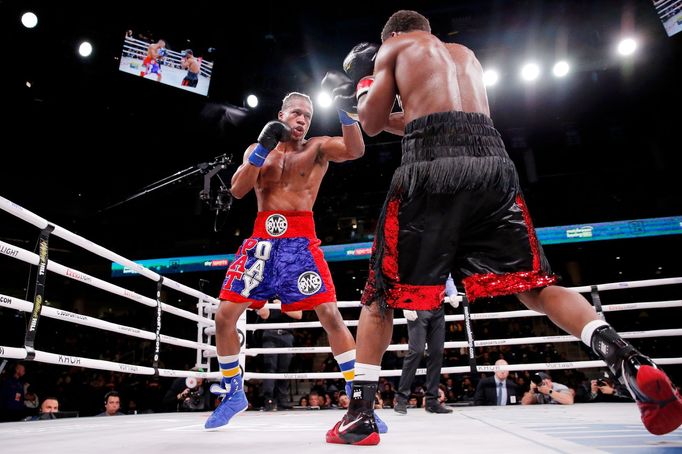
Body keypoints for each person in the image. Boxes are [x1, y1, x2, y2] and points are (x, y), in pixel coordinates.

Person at [326, 10, 682, 445]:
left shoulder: (394, 47)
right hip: (493, 164)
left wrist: (360, 91)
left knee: (380, 294)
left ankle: (360, 415)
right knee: (536, 284)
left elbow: (373, 122)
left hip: (431, 169)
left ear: (395, 33)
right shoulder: (464, 55)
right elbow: (432, 117)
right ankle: (627, 358)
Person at [205, 91, 387, 433]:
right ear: (282, 114)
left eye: (308, 115)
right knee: (224, 315)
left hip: (301, 243)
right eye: (297, 113)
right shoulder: (259, 150)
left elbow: (355, 150)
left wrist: (347, 114)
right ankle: (233, 393)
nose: (302, 120)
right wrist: (260, 148)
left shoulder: (317, 148)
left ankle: (360, 400)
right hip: (261, 242)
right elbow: (238, 189)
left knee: (330, 314)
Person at [394, 275, 458, 415]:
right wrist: (406, 302)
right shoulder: (417, 254)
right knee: (416, 351)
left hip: (437, 307)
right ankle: (401, 399)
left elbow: (446, 277)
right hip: (417, 305)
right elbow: (406, 275)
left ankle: (432, 401)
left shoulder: (442, 255)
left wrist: (452, 292)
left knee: (437, 352)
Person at [257, 300, 302, 411]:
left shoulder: (289, 295)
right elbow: (264, 314)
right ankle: (269, 400)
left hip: (286, 335)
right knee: (270, 368)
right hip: (270, 334)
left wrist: (282, 305)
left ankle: (283, 401)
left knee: (284, 369)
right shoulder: (267, 293)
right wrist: (270, 303)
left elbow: (298, 314)